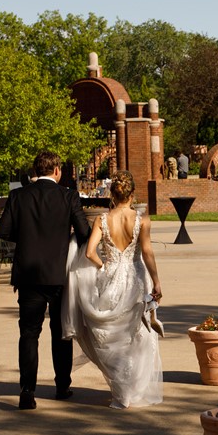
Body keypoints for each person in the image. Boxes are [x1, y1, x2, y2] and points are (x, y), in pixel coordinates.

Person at [0, 151, 91, 410]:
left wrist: (27, 238)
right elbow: (84, 233)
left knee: (29, 333)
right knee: (61, 333)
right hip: (59, 275)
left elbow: (2, 230)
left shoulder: (18, 196)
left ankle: (27, 390)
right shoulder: (69, 196)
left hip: (28, 275)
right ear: (57, 170)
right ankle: (62, 386)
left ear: (35, 170)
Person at [64, 170, 164, 410]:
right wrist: (157, 281)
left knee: (110, 333)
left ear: (112, 194)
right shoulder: (142, 220)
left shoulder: (101, 220)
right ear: (132, 194)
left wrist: (103, 266)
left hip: (110, 276)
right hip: (136, 277)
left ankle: (121, 391)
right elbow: (147, 252)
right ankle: (132, 388)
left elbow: (89, 253)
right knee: (135, 334)